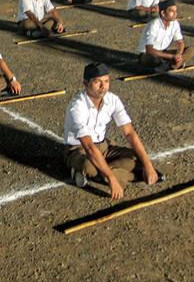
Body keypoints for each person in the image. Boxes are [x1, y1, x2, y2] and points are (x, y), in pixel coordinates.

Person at [62, 62, 158, 199]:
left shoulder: (113, 100)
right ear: (85, 83)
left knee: (136, 157)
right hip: (78, 149)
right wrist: (112, 179)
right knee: (89, 166)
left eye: (106, 81)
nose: (103, 86)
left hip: (104, 147)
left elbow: (129, 133)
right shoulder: (77, 107)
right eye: (97, 82)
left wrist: (148, 165)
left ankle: (104, 172)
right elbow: (89, 147)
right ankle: (131, 176)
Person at [136, 0, 194, 71]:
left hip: (163, 53)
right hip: (148, 54)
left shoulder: (175, 24)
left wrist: (178, 55)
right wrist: (172, 56)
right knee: (154, 59)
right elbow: (149, 50)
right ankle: (172, 64)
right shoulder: (154, 24)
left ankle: (172, 65)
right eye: (172, 11)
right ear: (163, 13)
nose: (175, 13)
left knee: (191, 50)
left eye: (176, 11)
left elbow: (180, 42)